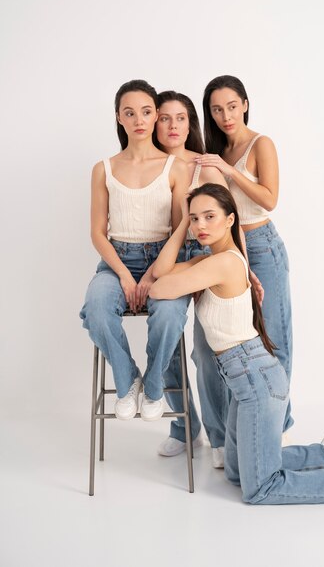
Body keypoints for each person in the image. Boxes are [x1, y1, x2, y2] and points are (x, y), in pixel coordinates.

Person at [149, 183, 324, 504]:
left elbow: (156, 288)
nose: (200, 225)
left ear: (230, 220)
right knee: (236, 473)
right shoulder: (212, 259)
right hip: (245, 381)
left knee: (260, 488)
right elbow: (160, 272)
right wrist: (182, 223)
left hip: (256, 381)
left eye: (209, 216)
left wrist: (185, 226)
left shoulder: (221, 264)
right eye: (195, 219)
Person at [79, 79, 191, 422]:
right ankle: (128, 381)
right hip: (116, 262)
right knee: (96, 310)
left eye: (146, 112)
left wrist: (155, 273)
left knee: (170, 316)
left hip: (164, 259)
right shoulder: (104, 169)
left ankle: (154, 386)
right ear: (119, 118)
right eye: (130, 113)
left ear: (155, 114)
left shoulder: (176, 168)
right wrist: (126, 277)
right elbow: (98, 233)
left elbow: (181, 228)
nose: (139, 120)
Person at [196, 75, 294, 440]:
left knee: (272, 340)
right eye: (217, 109)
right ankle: (222, 438)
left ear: (245, 105)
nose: (226, 115)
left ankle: (274, 428)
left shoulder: (260, 144)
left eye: (232, 106)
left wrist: (228, 171)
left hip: (262, 246)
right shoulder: (214, 153)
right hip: (226, 251)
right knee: (215, 346)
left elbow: (269, 198)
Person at [153, 90, 230, 462]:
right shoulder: (146, 164)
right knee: (166, 342)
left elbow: (230, 222)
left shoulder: (205, 165)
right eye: (164, 118)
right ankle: (185, 429)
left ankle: (219, 438)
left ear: (191, 123)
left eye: (180, 118)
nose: (173, 126)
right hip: (162, 259)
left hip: (202, 258)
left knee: (204, 350)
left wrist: (241, 268)